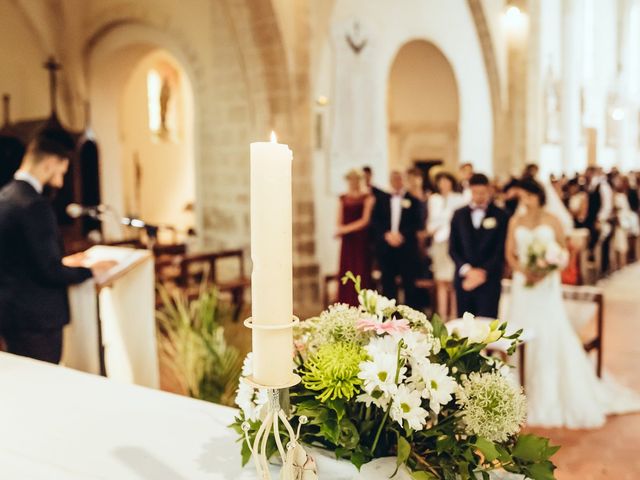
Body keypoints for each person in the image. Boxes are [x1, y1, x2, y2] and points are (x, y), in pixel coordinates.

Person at [505, 178, 640, 427]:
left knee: (549, 332)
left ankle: (549, 392)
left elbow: (564, 254)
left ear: (538, 196)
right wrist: (524, 269)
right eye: (521, 197)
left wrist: (546, 267)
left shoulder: (552, 220)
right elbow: (510, 253)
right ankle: (519, 391)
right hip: (523, 285)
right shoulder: (516, 221)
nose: (524, 202)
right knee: (520, 332)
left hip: (546, 285)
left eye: (528, 196)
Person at [0, 127, 115, 364]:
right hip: (37, 319)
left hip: (11, 315)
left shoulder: (6, 196)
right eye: (63, 168)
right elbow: (49, 271)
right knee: (43, 386)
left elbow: (21, 259)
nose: (62, 179)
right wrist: (90, 270)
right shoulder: (34, 205)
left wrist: (65, 262)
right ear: (50, 163)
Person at [449, 173, 508, 318]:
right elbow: (453, 248)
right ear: (470, 191)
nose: (479, 196)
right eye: (475, 192)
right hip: (465, 279)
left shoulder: (501, 215)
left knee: (487, 328)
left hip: (489, 280)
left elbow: (500, 249)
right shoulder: (458, 215)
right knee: (464, 328)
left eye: (483, 192)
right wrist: (467, 270)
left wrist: (482, 272)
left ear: (489, 190)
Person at [371, 170, 422, 308]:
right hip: (386, 248)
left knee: (408, 282)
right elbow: (375, 221)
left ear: (404, 180)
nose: (397, 182)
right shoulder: (382, 200)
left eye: (399, 179)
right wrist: (387, 234)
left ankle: (411, 316)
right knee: (387, 282)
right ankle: (388, 316)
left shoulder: (414, 201)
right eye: (394, 179)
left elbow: (417, 223)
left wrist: (401, 235)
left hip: (406, 247)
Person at [426, 171, 466, 319]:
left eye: (446, 181)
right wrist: (433, 228)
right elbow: (431, 221)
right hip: (438, 240)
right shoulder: (434, 199)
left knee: (453, 281)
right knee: (440, 280)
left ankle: (455, 315)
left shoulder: (459, 199)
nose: (443, 184)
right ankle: (442, 316)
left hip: (453, 241)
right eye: (440, 181)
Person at [336, 169, 375, 305]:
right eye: (351, 179)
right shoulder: (343, 198)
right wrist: (341, 229)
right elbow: (339, 220)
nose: (354, 182)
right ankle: (346, 304)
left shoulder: (367, 197)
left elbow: (365, 220)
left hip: (361, 241)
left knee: (361, 271)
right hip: (348, 243)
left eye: (356, 179)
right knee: (347, 270)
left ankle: (362, 304)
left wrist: (345, 230)